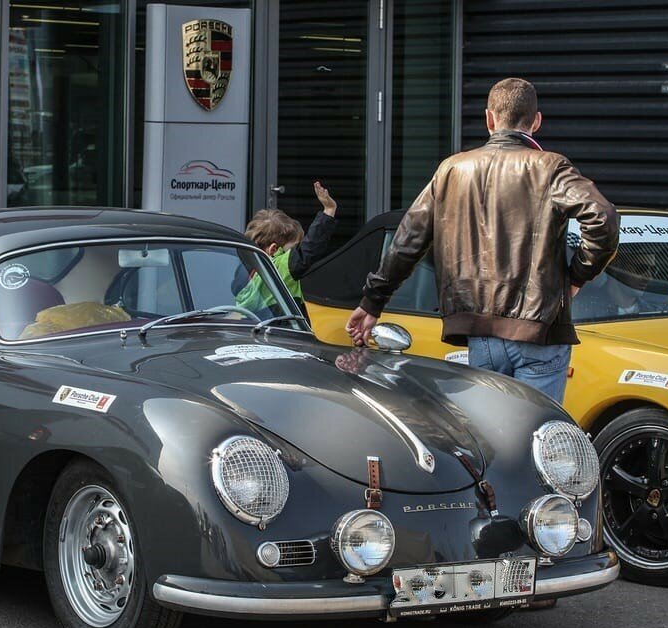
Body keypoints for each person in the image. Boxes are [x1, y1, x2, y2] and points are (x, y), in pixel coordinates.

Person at [346, 77, 619, 402]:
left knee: (490, 439)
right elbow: (603, 218)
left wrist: (372, 301)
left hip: (479, 331)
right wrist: (576, 277)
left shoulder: (451, 170)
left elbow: (408, 240)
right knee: (535, 439)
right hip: (538, 330)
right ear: (536, 121)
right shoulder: (550, 168)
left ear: (489, 119)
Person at [235, 181, 338, 317]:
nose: (296, 252)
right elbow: (310, 249)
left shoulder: (245, 271)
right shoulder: (279, 267)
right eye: (294, 248)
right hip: (282, 329)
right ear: (273, 249)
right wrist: (329, 211)